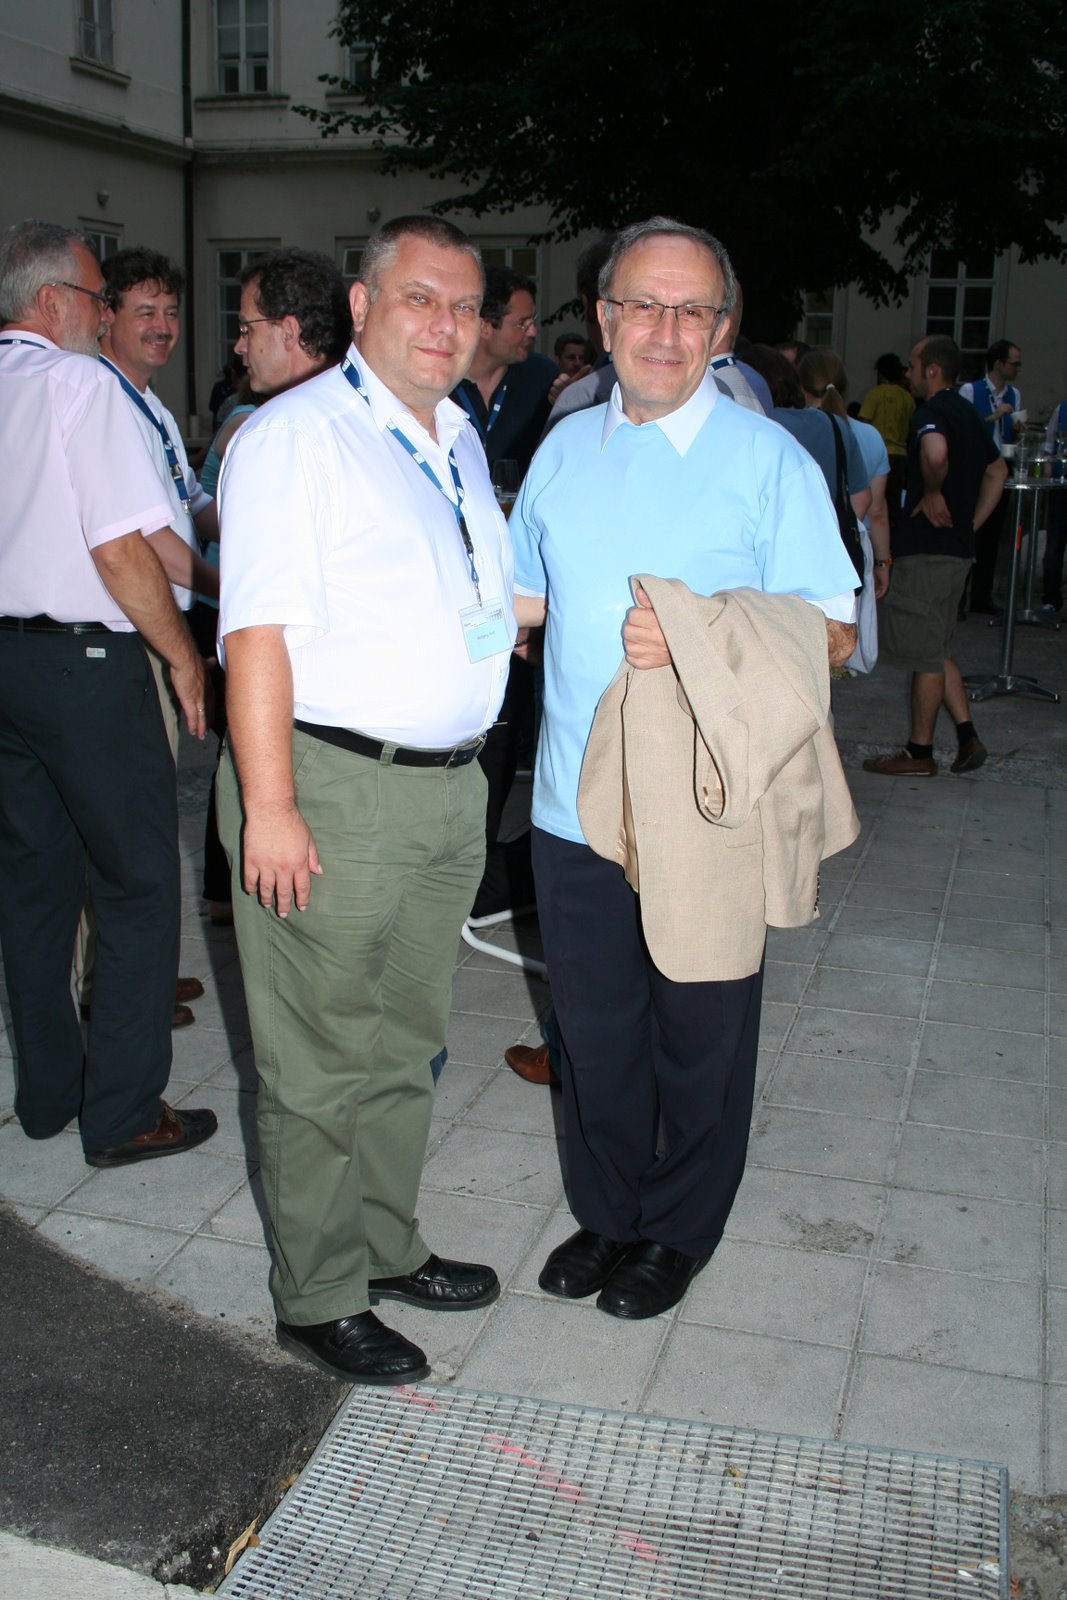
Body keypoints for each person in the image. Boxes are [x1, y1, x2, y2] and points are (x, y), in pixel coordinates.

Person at [510, 216, 860, 1321]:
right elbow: (521, 605)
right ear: (603, 316)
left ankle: (676, 1230)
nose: (663, 331)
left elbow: (834, 632)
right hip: (570, 803)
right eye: (642, 305)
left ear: (722, 329)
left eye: (690, 310)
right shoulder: (563, 448)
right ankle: (608, 1212)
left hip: (705, 803)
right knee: (593, 1030)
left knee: (699, 1036)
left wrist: (701, 629)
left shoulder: (768, 460)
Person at [215, 215, 514, 1384]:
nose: (445, 324)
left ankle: (384, 1243)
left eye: (464, 306)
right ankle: (318, 1293)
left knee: (403, 1043)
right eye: (418, 298)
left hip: (445, 789)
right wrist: (271, 806)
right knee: (318, 1058)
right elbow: (255, 634)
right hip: (332, 786)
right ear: (359, 305)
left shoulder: (453, 434)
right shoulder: (296, 437)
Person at [0, 219, 216, 1167]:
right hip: (86, 666)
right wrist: (181, 654)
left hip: (9, 666)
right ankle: (123, 1111)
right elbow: (122, 549)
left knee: (34, 886)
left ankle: (49, 1094)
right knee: (137, 886)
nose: (101, 315)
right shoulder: (78, 383)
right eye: (96, 299)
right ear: (53, 301)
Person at [198, 250, 353, 930]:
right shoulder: (343, 419)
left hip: (317, 731)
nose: (239, 345)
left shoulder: (276, 430)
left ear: (289, 331)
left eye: (246, 327)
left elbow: (260, 625)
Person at [91, 246, 220, 1027]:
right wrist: (233, 589)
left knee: (143, 812)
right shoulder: (102, 400)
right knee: (123, 819)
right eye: (145, 312)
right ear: (106, 315)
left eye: (171, 312)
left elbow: (192, 501)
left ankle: (140, 971)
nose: (163, 327)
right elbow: (146, 537)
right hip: (130, 630)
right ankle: (113, 986)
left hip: (159, 623)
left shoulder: (150, 404)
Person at [864, 336, 1007, 778]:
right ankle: (967, 736)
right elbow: (998, 471)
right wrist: (971, 524)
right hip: (957, 552)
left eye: (913, 365)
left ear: (931, 370)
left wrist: (930, 490)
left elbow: (935, 452)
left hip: (927, 551)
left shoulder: (931, 413)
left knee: (925, 655)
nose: (908, 373)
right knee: (939, 648)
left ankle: (919, 753)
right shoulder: (968, 412)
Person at [959, 339, 1023, 614]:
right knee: (971, 531)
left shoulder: (1014, 394)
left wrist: (1018, 430)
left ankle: (982, 596)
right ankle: (960, 597)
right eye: (1014, 363)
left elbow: (1014, 433)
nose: (1018, 368)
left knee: (993, 536)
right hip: (976, 468)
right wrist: (993, 416)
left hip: (1001, 465)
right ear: (998, 363)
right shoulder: (970, 390)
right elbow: (963, 427)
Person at [859, 354, 914, 529]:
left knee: (876, 501)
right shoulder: (907, 397)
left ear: (881, 374)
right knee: (894, 502)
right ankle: (895, 535)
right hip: (901, 454)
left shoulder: (875, 394)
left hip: (880, 454)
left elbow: (864, 423)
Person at [1041, 395, 1067, 614]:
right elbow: (1050, 445)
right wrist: (1048, 476)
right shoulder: (1062, 409)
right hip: (1060, 486)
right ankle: (1050, 599)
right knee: (1054, 547)